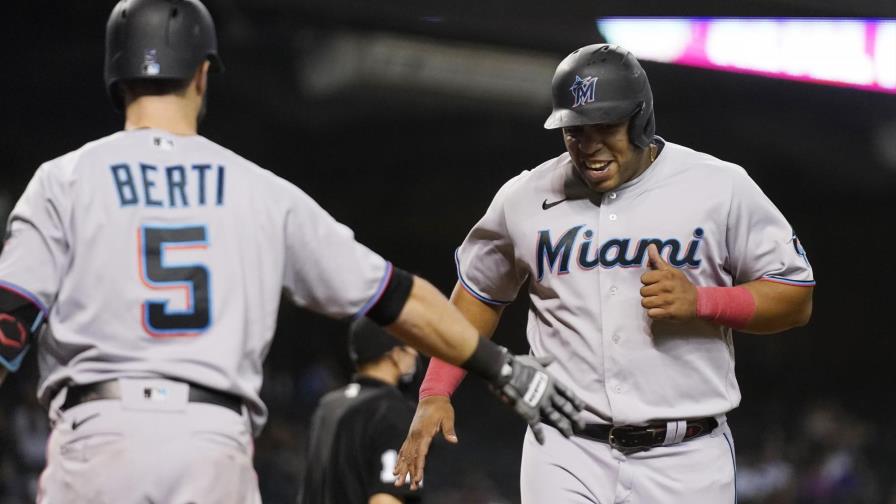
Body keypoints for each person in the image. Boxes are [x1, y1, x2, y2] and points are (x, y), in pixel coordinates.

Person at [0, 1, 583, 502]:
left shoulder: (64, 181)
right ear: (202, 75)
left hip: (96, 434)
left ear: (116, 77)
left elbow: (9, 320)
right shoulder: (259, 190)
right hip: (211, 444)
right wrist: (498, 366)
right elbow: (396, 296)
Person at [393, 43, 815, 503]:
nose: (588, 145)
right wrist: (435, 390)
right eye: (574, 131)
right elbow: (478, 296)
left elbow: (794, 297)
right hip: (565, 450)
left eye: (606, 127)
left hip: (687, 457)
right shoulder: (525, 197)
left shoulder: (719, 186)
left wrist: (704, 302)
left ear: (642, 119)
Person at [300, 317, 424, 504]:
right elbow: (386, 498)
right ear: (395, 354)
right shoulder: (394, 410)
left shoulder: (327, 406)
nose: (414, 354)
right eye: (408, 346)